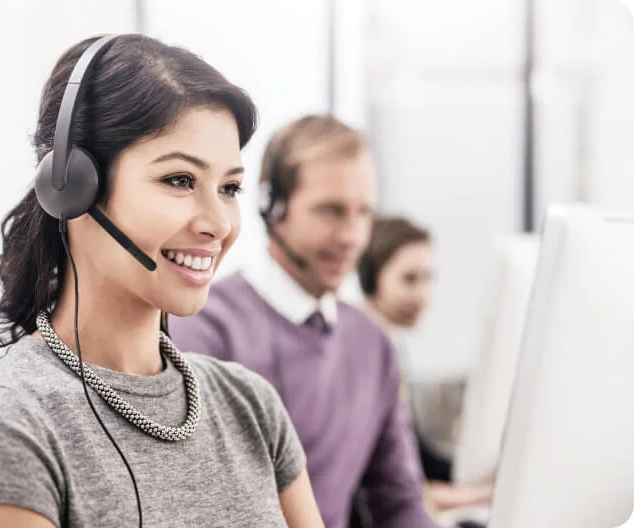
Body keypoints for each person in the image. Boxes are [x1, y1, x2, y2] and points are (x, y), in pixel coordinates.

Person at [0, 34, 325, 528]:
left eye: (230, 188)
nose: (219, 223)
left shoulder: (250, 407)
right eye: (180, 180)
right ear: (72, 187)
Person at [169, 115, 439, 528]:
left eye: (362, 212)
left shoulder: (371, 344)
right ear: (272, 208)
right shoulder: (201, 330)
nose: (351, 236)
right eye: (331, 211)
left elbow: (399, 505)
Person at [357, 216, 494, 519]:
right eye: (409, 279)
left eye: (429, 278)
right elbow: (386, 483)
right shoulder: (360, 354)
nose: (423, 293)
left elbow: (418, 459)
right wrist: (483, 494)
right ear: (370, 278)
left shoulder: (389, 343)